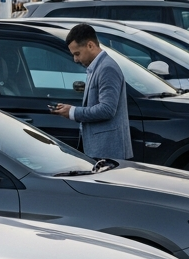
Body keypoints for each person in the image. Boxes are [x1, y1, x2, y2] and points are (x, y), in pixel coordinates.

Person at [51, 23, 132, 160]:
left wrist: (73, 112)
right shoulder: (97, 67)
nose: (75, 59)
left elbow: (107, 109)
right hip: (101, 150)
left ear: (90, 45)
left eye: (77, 54)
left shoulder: (107, 68)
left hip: (108, 152)